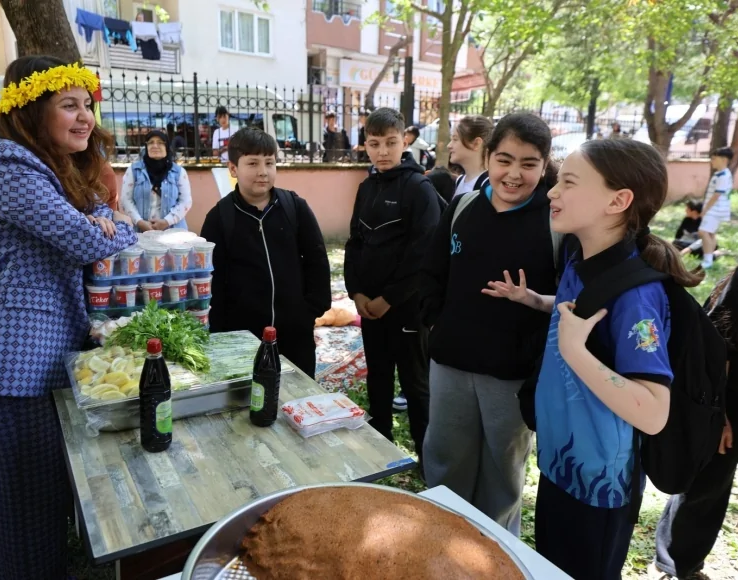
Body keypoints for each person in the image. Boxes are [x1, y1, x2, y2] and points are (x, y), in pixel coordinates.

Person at [0, 55, 137, 579]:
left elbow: (88, 224)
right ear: (30, 111)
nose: (85, 118)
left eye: (88, 106)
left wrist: (102, 221)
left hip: (43, 354)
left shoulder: (42, 164)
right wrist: (115, 226)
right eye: (68, 105)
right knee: (29, 488)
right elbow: (81, 239)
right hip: (11, 360)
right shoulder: (5, 163)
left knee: (44, 483)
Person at [486, 138, 700, 578]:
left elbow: (654, 410)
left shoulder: (637, 297)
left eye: (568, 182)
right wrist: (536, 301)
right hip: (561, 461)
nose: (551, 192)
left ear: (618, 201)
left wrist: (572, 351)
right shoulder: (580, 255)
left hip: (598, 488)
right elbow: (580, 317)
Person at [420, 113, 559, 536]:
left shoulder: (556, 221)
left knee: (502, 476)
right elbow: (433, 273)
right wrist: (436, 328)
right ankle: (441, 546)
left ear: (545, 164)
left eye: (529, 163)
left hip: (511, 378)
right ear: (488, 156)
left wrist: (533, 302)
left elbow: (575, 298)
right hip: (451, 365)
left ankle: (496, 553)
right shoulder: (463, 208)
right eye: (505, 160)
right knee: (445, 462)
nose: (514, 174)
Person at [344, 107, 442, 464]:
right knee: (378, 378)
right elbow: (355, 243)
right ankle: (379, 447)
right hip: (369, 307)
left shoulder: (419, 189)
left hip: (407, 309)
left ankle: (428, 459)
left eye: (390, 142)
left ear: (406, 141)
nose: (382, 151)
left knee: (416, 386)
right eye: (374, 143)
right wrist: (356, 292)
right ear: (365, 145)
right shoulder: (366, 188)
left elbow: (425, 255)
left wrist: (390, 298)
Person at [650, 257, 738, 580]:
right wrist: (717, 415)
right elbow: (713, 345)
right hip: (735, 392)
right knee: (709, 479)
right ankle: (677, 565)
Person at [201, 127, 331, 378]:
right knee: (249, 399)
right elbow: (212, 279)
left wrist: (311, 309)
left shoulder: (294, 207)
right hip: (243, 336)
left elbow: (316, 258)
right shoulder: (220, 218)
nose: (263, 171)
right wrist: (220, 331)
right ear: (233, 169)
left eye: (269, 162)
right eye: (253, 163)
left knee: (299, 393)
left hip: (295, 332)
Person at [121, 130, 192, 232]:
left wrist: (167, 221)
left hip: (173, 233)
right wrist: (140, 222)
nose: (155, 146)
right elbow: (126, 200)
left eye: (160, 142)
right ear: (146, 147)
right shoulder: (134, 170)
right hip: (141, 233)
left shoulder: (178, 172)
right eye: (150, 142)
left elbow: (185, 202)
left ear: (166, 146)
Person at [699, 147, 734, 269]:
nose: (711, 161)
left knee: (703, 232)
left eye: (714, 158)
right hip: (716, 208)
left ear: (724, 160)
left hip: (715, 209)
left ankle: (707, 260)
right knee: (711, 233)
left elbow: (717, 194)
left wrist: (705, 210)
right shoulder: (720, 173)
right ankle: (710, 257)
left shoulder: (723, 175)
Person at [448, 115, 492, 196]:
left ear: (476, 144)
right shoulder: (460, 181)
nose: (449, 146)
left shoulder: (488, 187)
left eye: (455, 139)